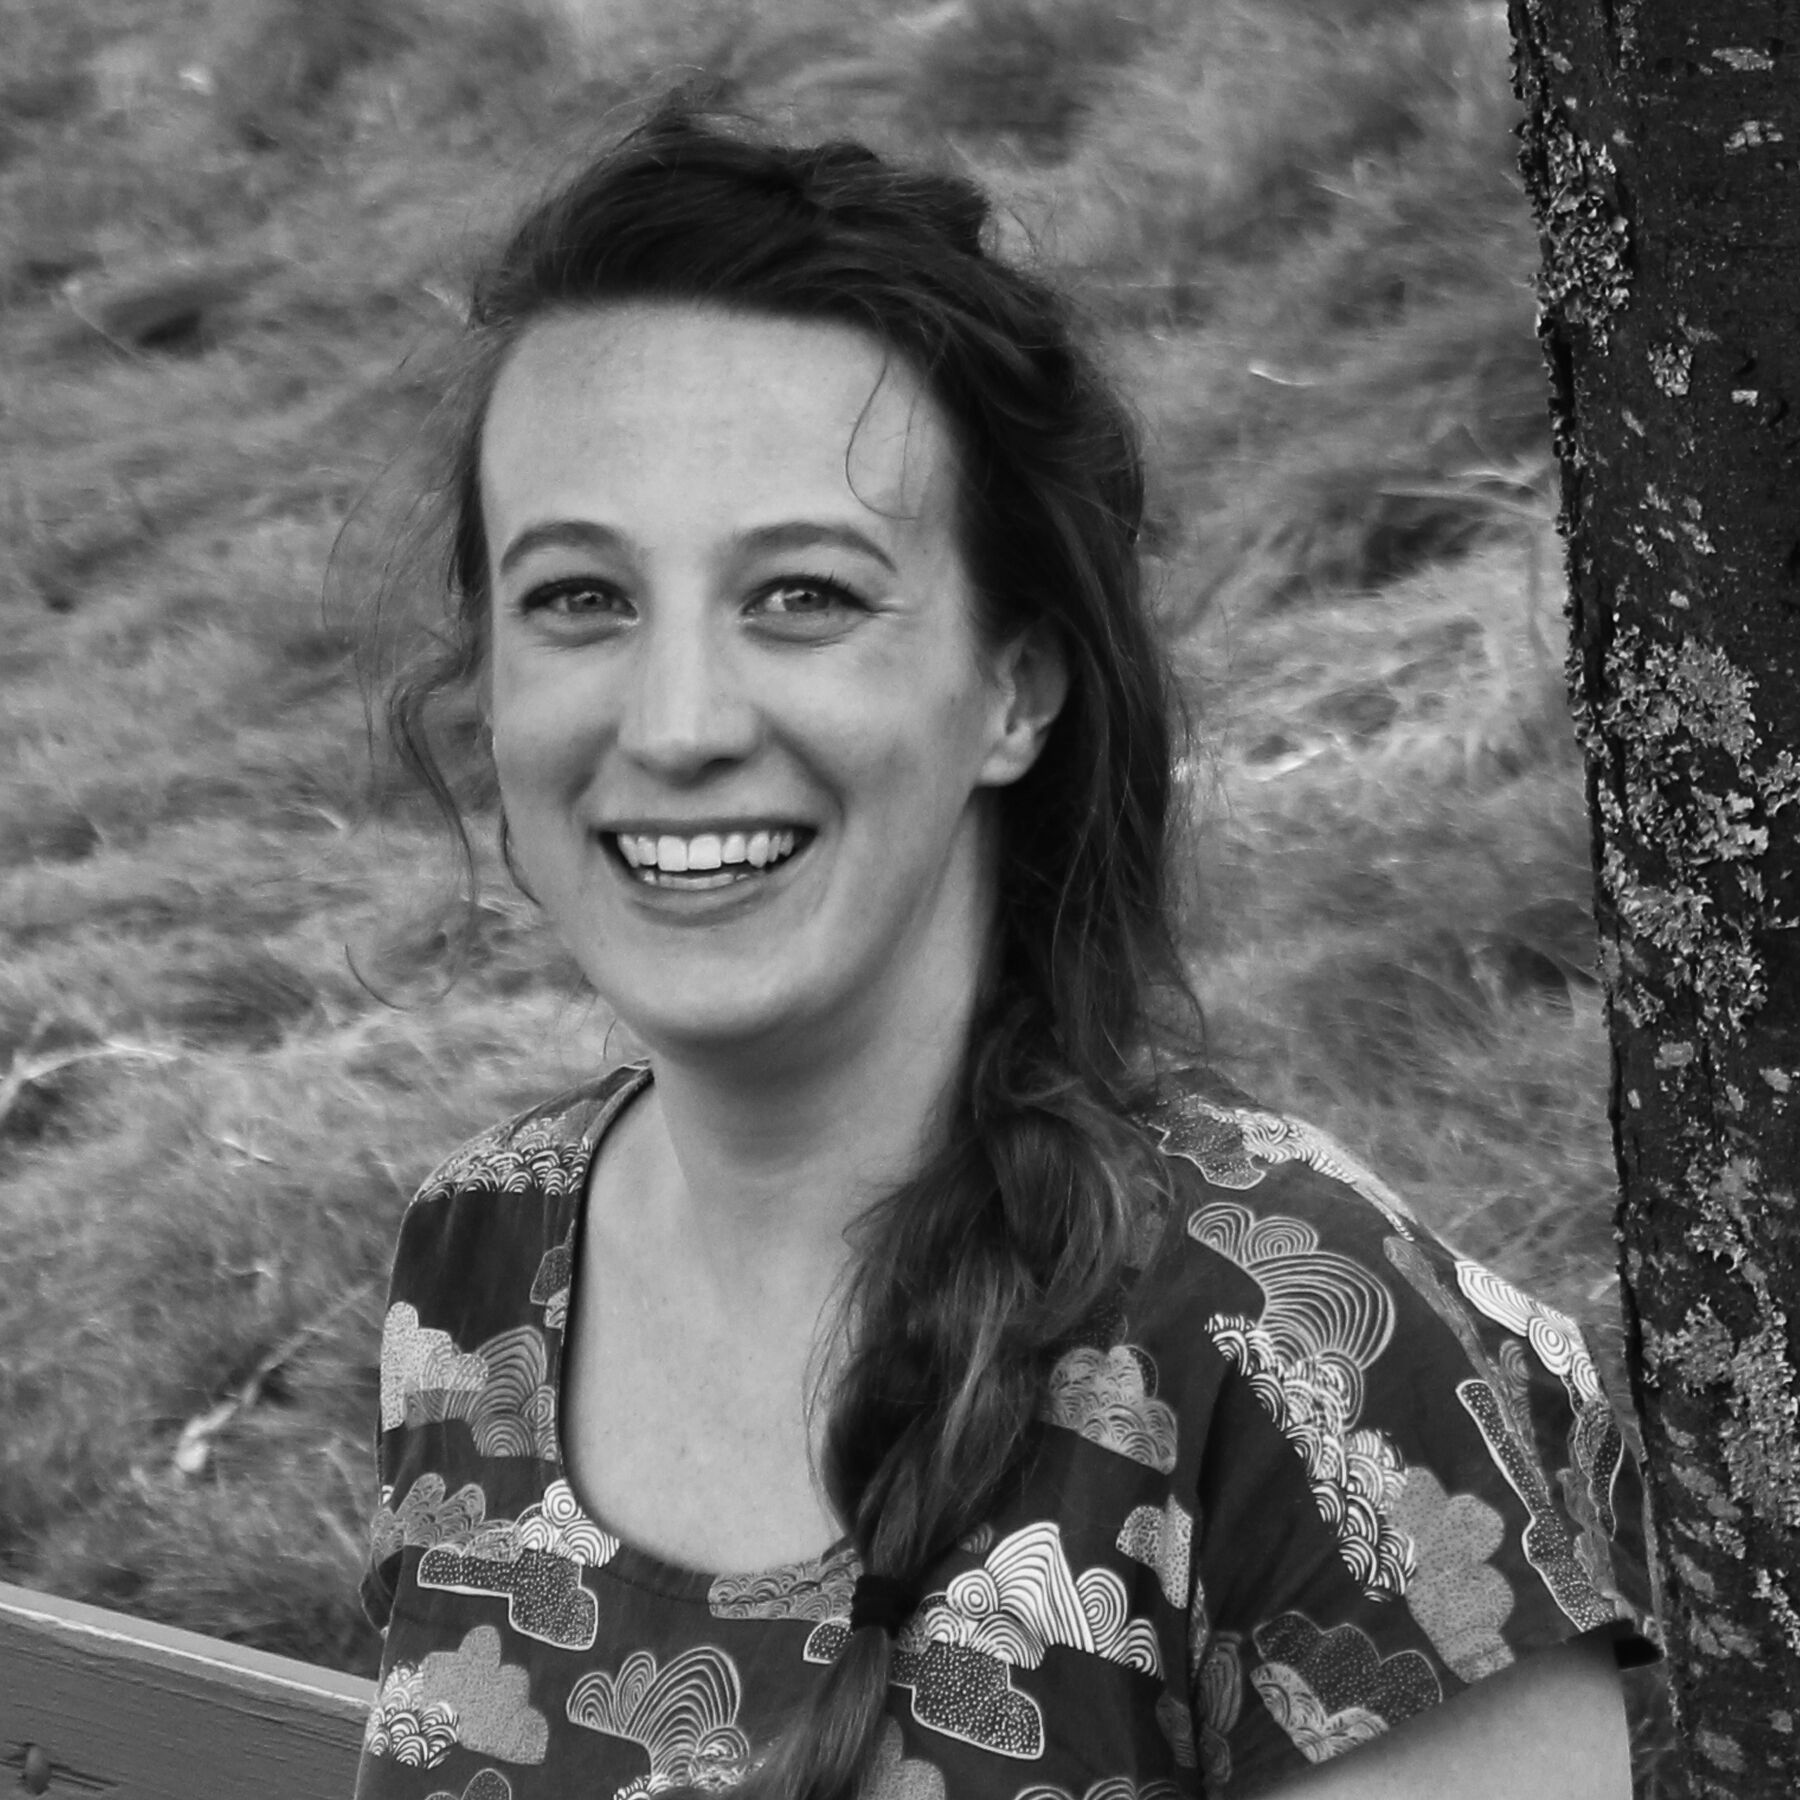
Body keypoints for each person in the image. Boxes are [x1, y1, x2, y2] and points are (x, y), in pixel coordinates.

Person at [355, 101, 1658, 1800]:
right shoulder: (481, 1251)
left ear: (1015, 690)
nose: (674, 724)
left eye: (805, 594)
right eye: (580, 599)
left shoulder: (1303, 1357)